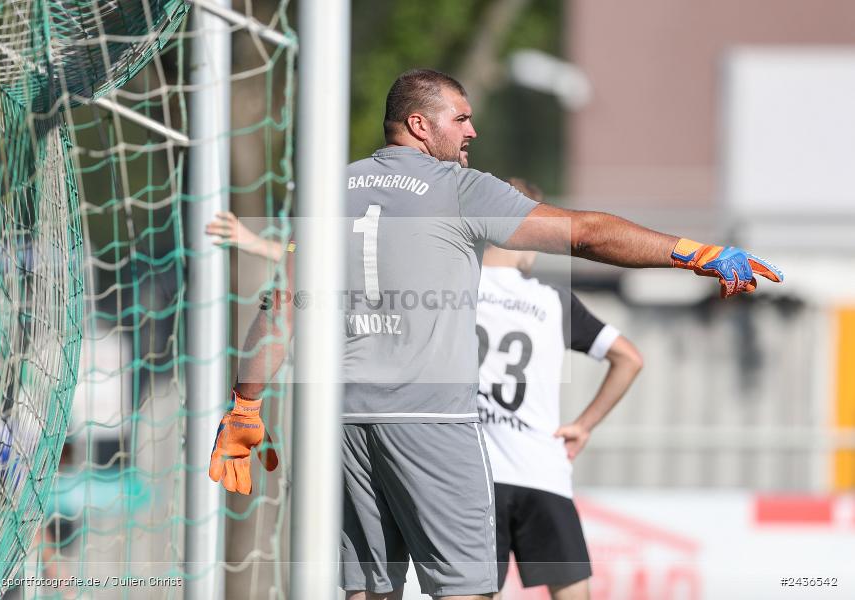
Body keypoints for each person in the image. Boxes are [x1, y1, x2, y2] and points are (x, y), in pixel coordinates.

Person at [207, 68, 783, 600]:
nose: (472, 130)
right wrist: (692, 253)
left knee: (367, 592)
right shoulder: (457, 187)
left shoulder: (327, 192)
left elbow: (279, 309)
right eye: (460, 118)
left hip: (341, 423)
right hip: (431, 420)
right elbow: (585, 234)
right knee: (466, 589)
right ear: (419, 124)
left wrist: (245, 406)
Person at [477, 179, 642, 600]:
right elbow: (629, 358)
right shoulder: (553, 301)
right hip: (541, 472)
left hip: (475, 479)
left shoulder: (453, 290)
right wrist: (584, 425)